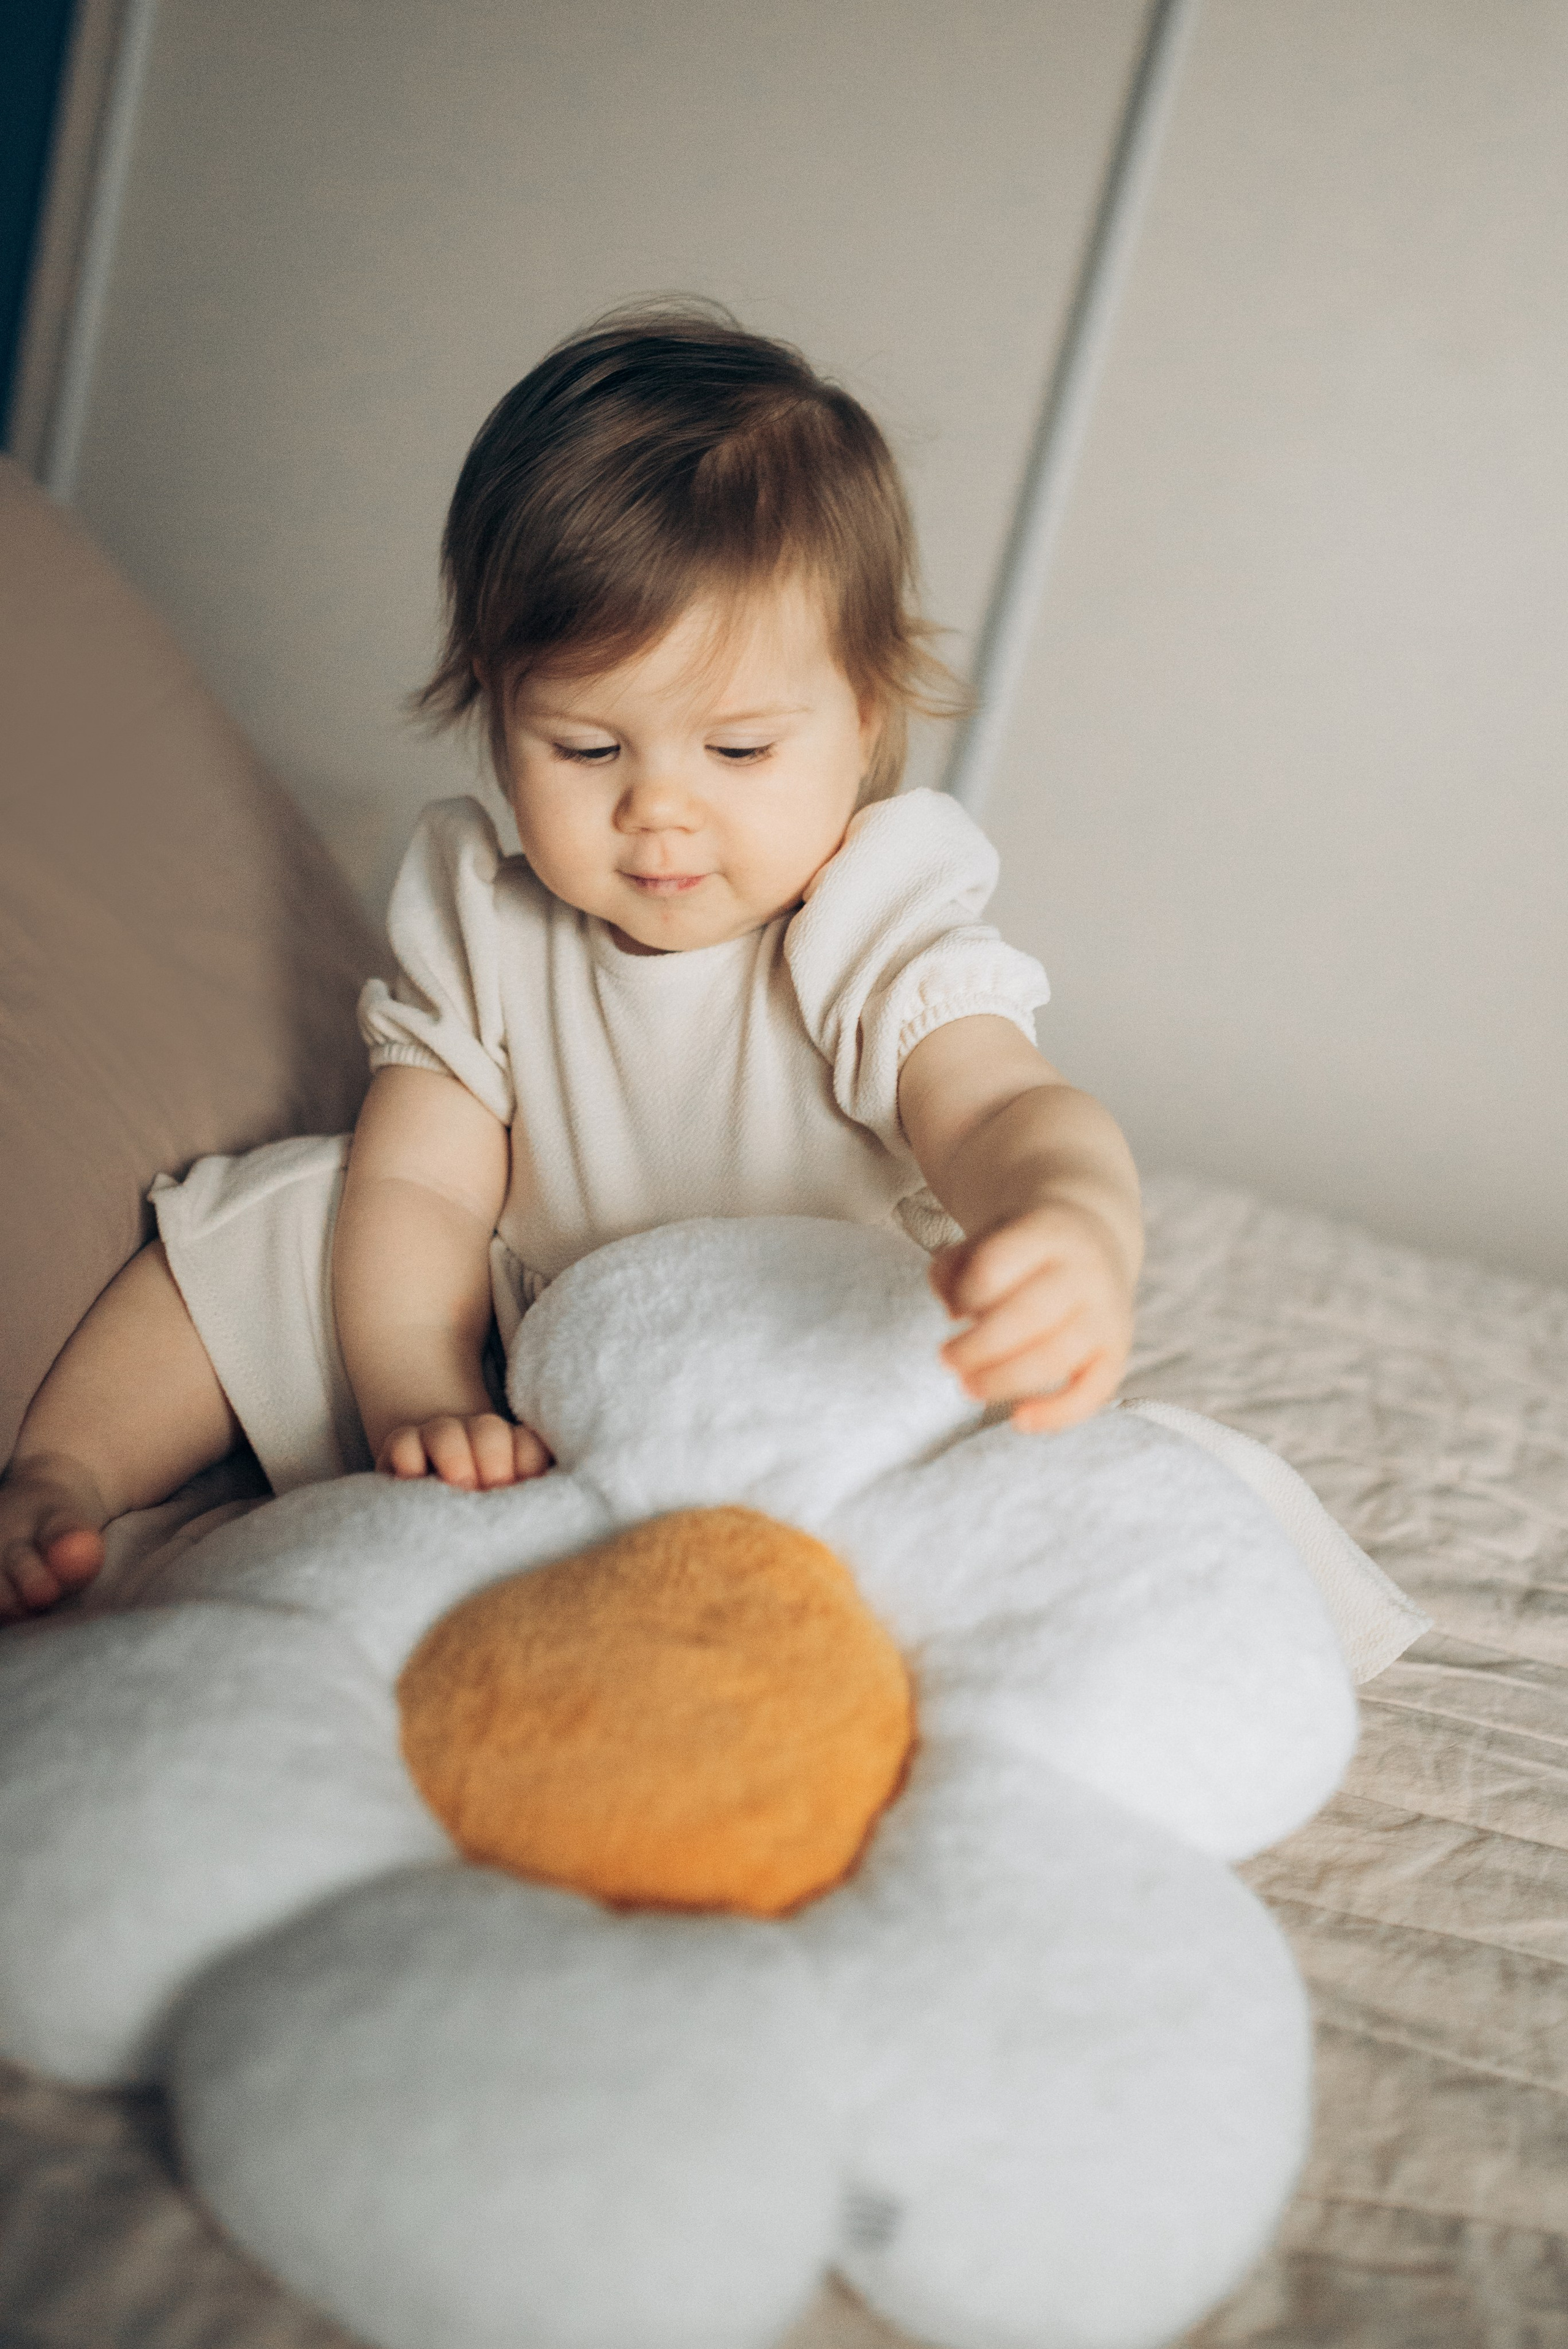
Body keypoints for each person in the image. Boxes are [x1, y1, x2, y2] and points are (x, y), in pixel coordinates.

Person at [0, 304, 1141, 1621]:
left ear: (863, 713)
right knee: (296, 1207)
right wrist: (419, 1386)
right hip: (531, 1341)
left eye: (738, 752)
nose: (658, 810)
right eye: (588, 750)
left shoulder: (867, 918)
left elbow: (999, 1106)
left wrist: (1071, 1225)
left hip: (796, 1346)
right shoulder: (493, 921)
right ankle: (62, 1466)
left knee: (958, 1411)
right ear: (493, 710)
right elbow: (421, 1186)